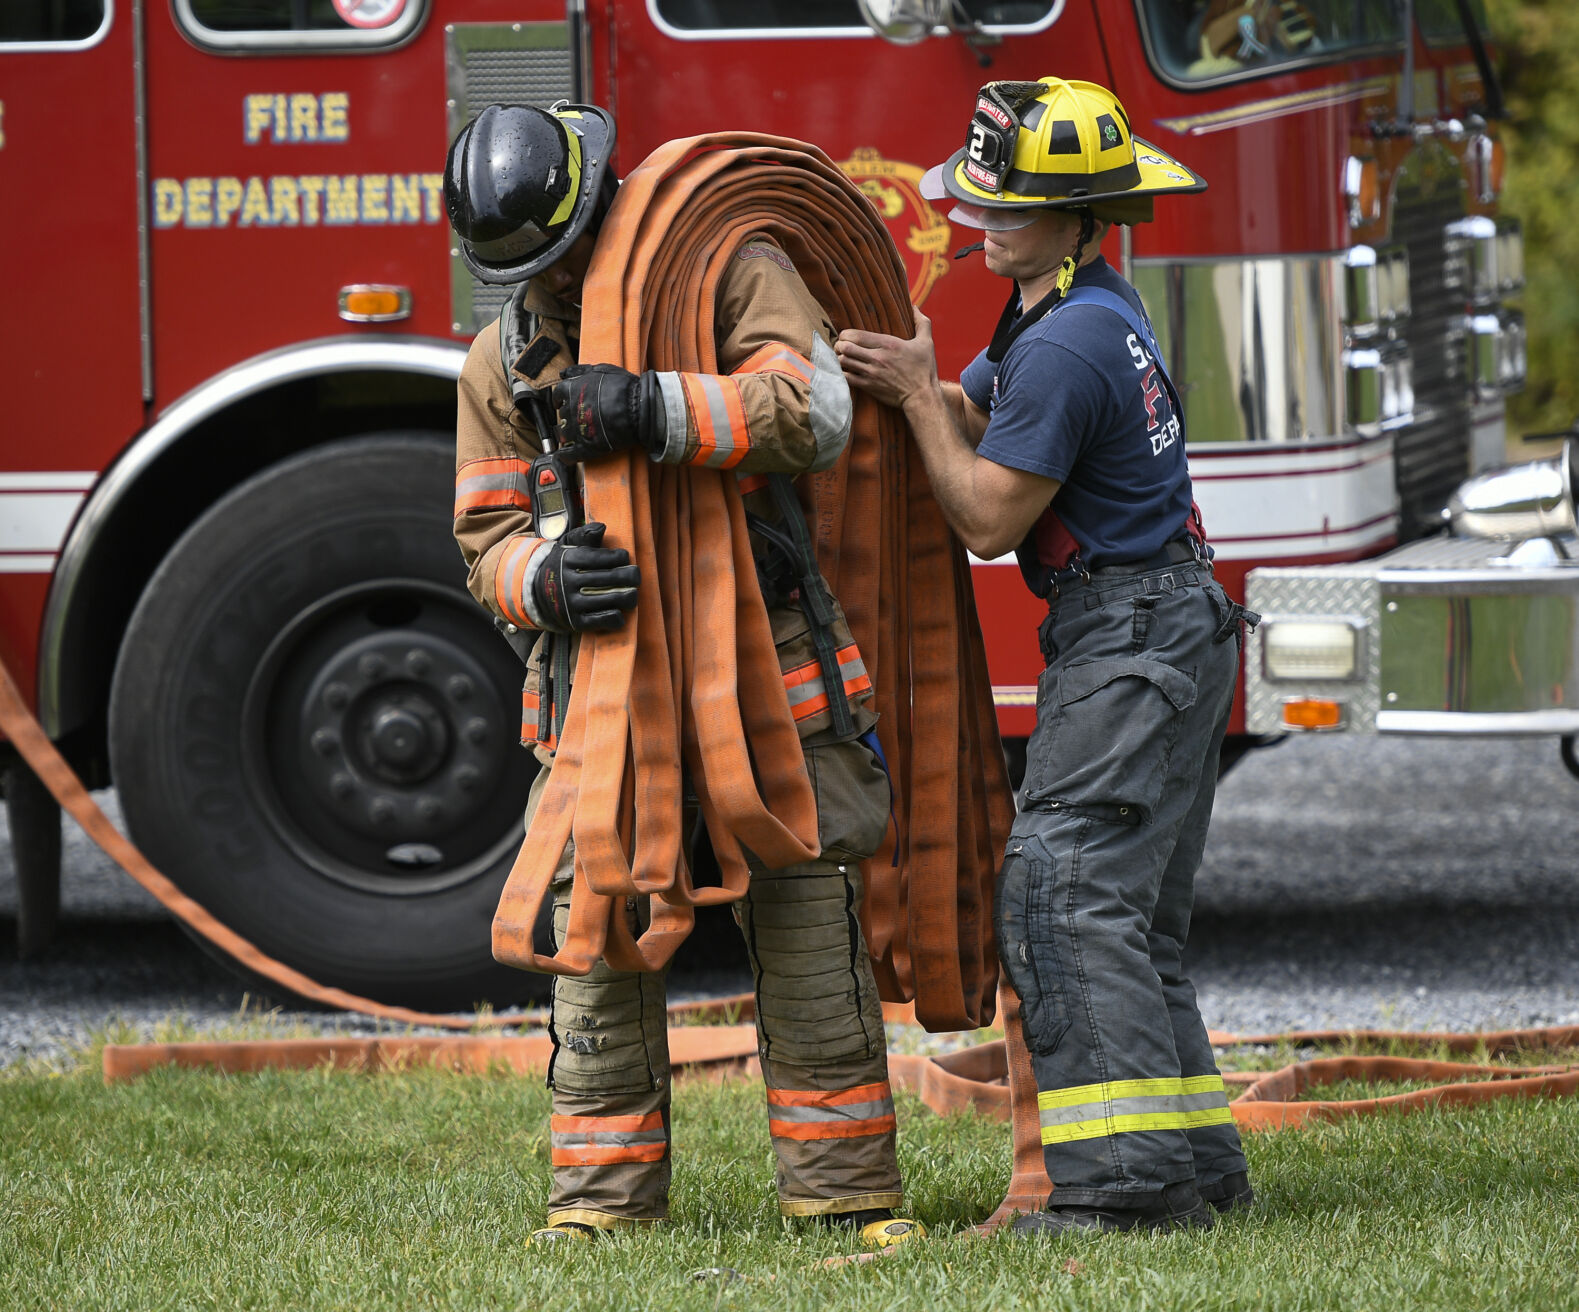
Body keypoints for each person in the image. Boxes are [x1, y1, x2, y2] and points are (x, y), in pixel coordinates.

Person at [444, 102, 922, 1247]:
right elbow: (481, 536)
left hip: (768, 678)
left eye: (564, 266)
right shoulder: (501, 361)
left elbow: (814, 410)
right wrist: (546, 582)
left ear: (599, 210)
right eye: (532, 278)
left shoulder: (728, 271)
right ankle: (600, 1208)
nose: (553, 293)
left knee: (810, 930)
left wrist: (653, 405)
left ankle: (847, 1195)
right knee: (597, 936)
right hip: (604, 699)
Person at [836, 76, 1256, 1235]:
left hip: (1130, 638)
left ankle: (1120, 1192)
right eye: (981, 197)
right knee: (1129, 919)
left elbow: (984, 520)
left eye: (1012, 205)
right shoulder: (1068, 308)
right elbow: (985, 417)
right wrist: (911, 383)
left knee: (1063, 899)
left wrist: (921, 398)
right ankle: (1196, 1175)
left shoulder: (1067, 340)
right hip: (1161, 626)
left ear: (1083, 218)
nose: (984, 219)